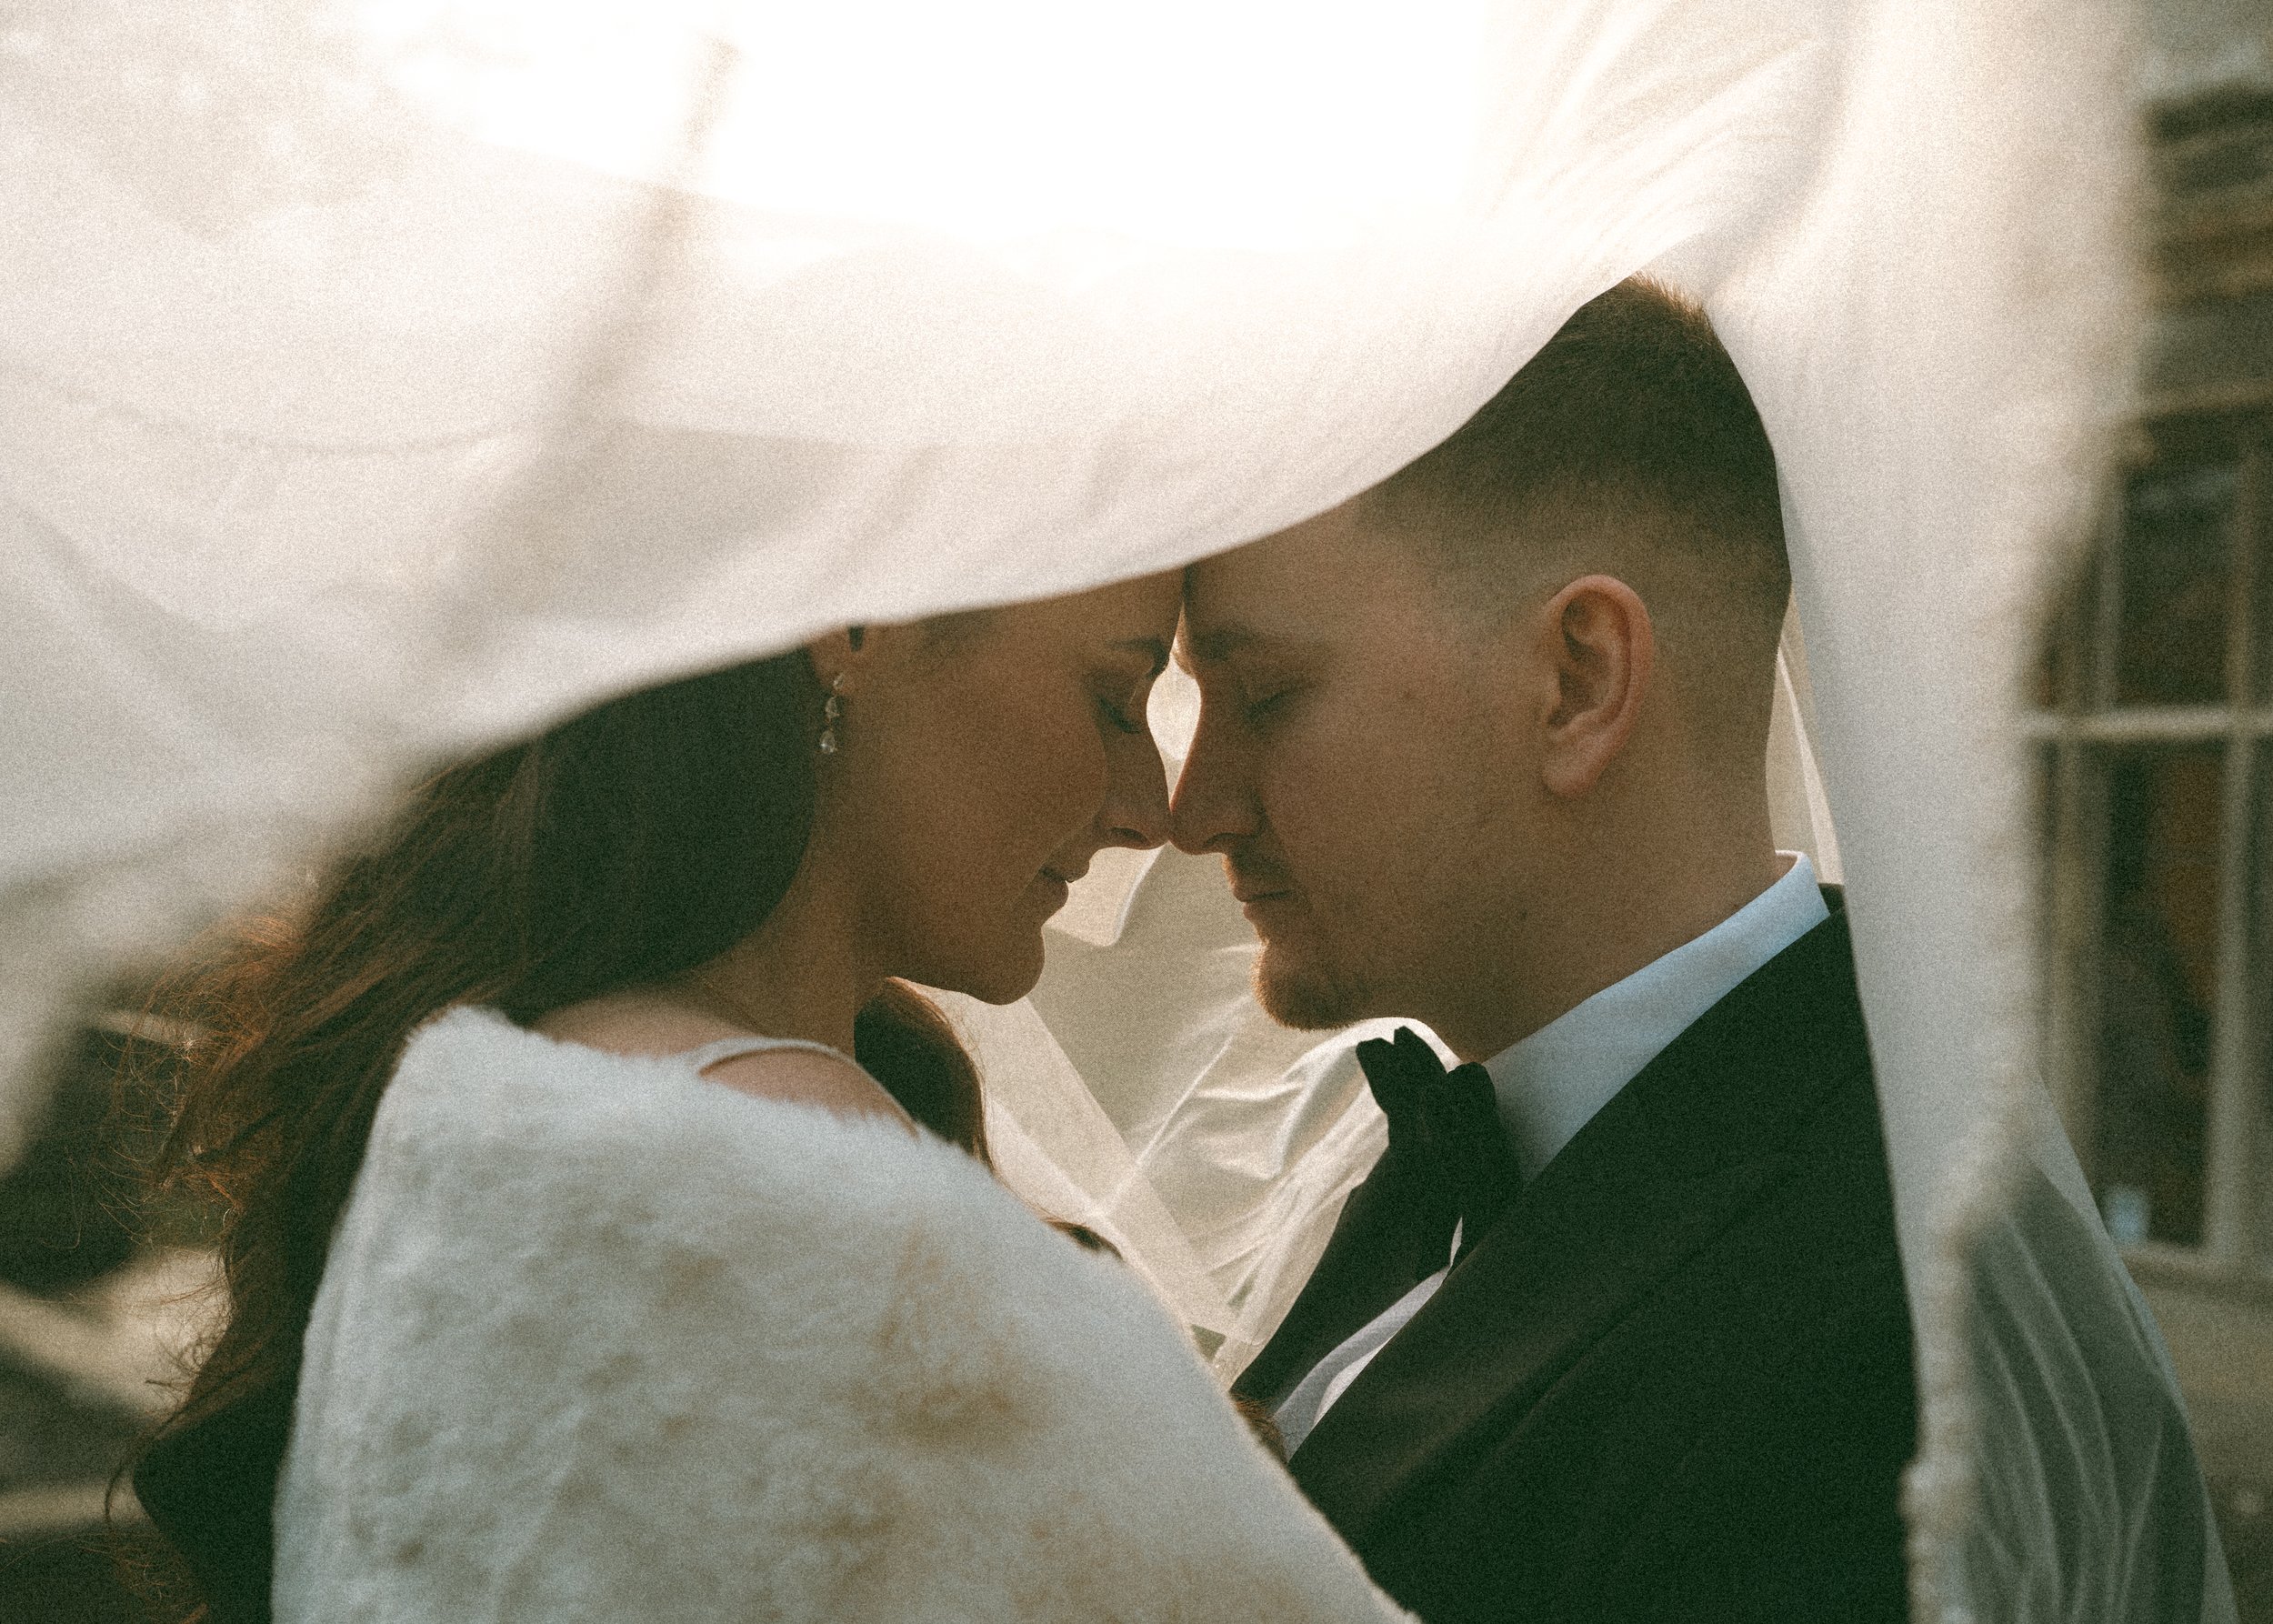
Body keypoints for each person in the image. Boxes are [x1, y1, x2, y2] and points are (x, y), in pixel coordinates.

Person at [129, 578, 1409, 1624]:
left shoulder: (529, 1074)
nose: (1149, 811)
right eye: (1114, 698)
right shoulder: (789, 1152)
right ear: (857, 627)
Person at [1172, 278, 1918, 1620]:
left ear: (1578, 681)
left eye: (1267, 695)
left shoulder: (1867, 1338)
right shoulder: (1449, 1157)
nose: (1194, 807)